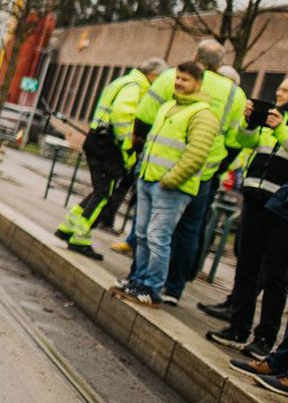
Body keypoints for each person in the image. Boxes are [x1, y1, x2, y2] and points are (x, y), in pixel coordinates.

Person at [115, 61, 219, 305]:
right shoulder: (169, 106)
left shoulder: (202, 114)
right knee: (141, 234)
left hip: (171, 187)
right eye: (178, 78)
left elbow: (197, 154)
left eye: (185, 80)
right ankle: (139, 280)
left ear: (198, 84)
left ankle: (152, 287)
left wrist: (170, 180)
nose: (179, 83)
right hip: (149, 179)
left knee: (157, 236)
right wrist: (143, 171)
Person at [206, 83, 288, 357]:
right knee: (247, 266)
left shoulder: (280, 124)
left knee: (276, 274)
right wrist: (249, 124)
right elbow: (246, 142)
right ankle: (238, 327)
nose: (279, 94)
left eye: (286, 91)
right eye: (280, 89)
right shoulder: (271, 118)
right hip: (254, 196)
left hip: (280, 205)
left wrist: (279, 128)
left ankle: (264, 339)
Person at [57, 57, 166, 258]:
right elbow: (122, 116)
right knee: (103, 194)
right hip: (109, 145)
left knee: (99, 191)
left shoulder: (124, 81)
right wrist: (128, 146)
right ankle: (80, 238)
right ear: (153, 75)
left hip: (98, 139)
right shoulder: (136, 87)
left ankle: (68, 227)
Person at [161, 60, 247, 305]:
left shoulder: (182, 82)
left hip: (173, 167)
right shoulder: (236, 94)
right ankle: (175, 287)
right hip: (206, 173)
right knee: (191, 228)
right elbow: (234, 141)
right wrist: (218, 169)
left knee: (163, 225)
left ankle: (150, 277)